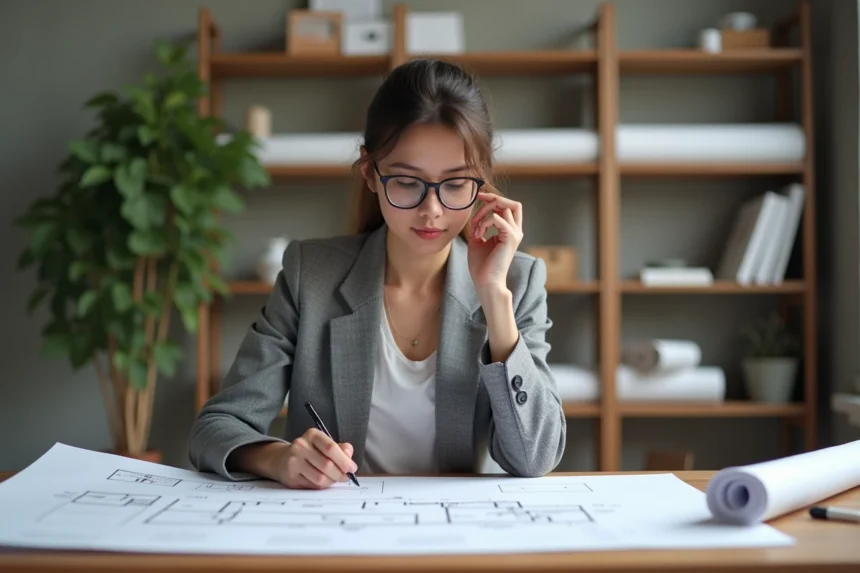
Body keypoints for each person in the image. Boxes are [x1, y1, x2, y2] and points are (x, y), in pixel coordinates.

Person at [188, 58, 567, 489]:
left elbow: (535, 456)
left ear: (482, 183)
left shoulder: (517, 283)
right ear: (370, 173)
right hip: (334, 535)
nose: (432, 210)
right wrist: (277, 458)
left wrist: (495, 299)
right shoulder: (309, 275)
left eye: (457, 183)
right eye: (407, 182)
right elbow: (214, 427)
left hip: (454, 538)